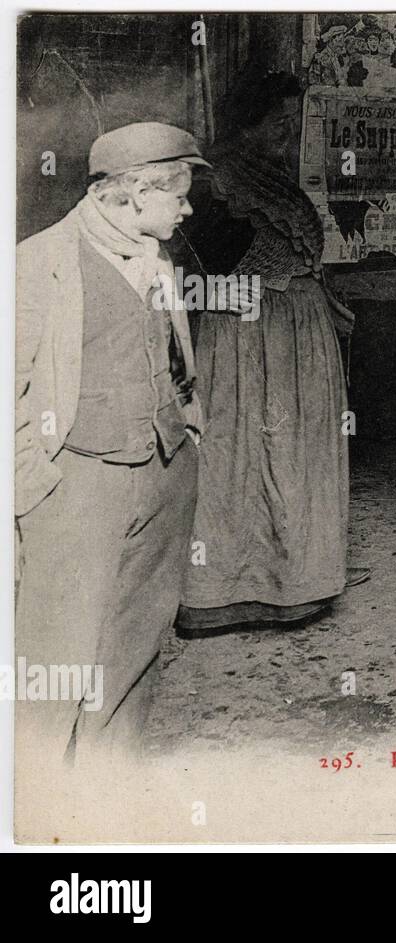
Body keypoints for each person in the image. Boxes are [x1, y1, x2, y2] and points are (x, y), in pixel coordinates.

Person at [15, 123, 207, 764]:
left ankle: (105, 788)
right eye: (176, 194)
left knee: (136, 643)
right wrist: (32, 482)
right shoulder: (39, 262)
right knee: (57, 654)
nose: (187, 209)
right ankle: (38, 801)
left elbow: (175, 361)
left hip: (164, 471)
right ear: (133, 191)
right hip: (77, 483)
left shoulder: (156, 259)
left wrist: (190, 434)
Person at [175, 71, 364, 633]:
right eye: (278, 123)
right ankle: (222, 595)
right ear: (247, 122)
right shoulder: (218, 182)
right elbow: (192, 277)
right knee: (240, 456)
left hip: (294, 338)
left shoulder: (265, 174)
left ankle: (295, 584)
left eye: (293, 121)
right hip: (245, 342)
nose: (288, 133)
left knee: (291, 457)